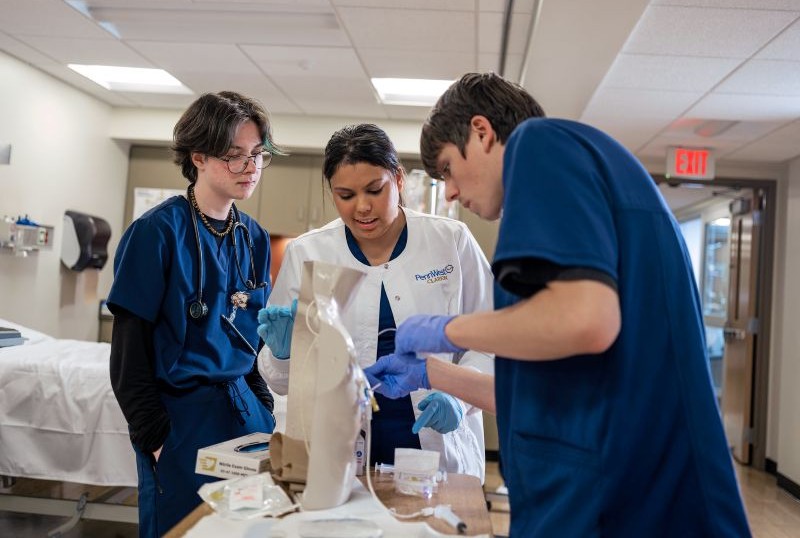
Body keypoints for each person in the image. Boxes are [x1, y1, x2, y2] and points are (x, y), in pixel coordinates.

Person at [365, 73, 751, 537]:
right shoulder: (568, 189)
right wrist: (434, 374)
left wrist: (450, 329)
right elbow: (545, 386)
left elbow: (587, 321)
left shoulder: (540, 144)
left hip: (628, 501)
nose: (448, 191)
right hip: (613, 492)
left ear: (482, 132)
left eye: (447, 168)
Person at [257, 123, 494, 481]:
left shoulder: (450, 241)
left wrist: (459, 400)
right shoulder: (309, 253)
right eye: (346, 195)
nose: (362, 207)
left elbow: (491, 342)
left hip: (436, 446)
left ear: (398, 179)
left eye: (374, 190)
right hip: (340, 455)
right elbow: (285, 384)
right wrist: (283, 353)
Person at [107, 91, 280, 537]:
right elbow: (128, 353)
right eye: (235, 156)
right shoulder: (156, 233)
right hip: (180, 422)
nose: (251, 168)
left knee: (247, 530)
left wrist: (263, 408)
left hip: (246, 416)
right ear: (198, 156)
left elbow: (252, 338)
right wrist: (156, 438)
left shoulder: (255, 239)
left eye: (258, 155)